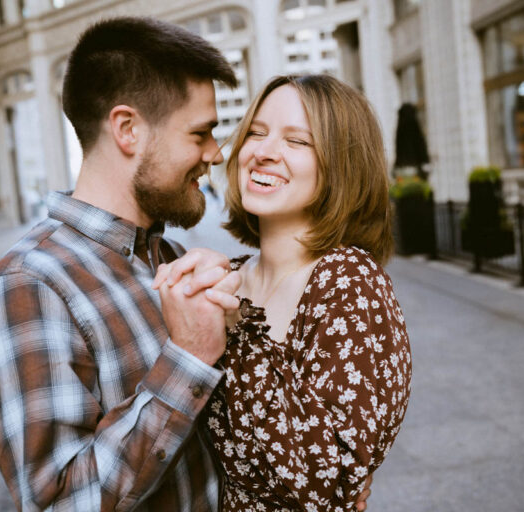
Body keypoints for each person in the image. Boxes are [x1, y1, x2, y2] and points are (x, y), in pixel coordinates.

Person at [0, 16, 372, 511]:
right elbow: (60, 502)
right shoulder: (29, 287)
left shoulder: (170, 258)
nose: (217, 154)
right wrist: (189, 360)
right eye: (200, 133)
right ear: (128, 129)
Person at [154, 74, 412, 511]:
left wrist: (237, 330)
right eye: (255, 133)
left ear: (340, 164)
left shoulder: (349, 283)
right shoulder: (226, 278)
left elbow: (325, 482)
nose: (263, 152)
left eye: (297, 141)